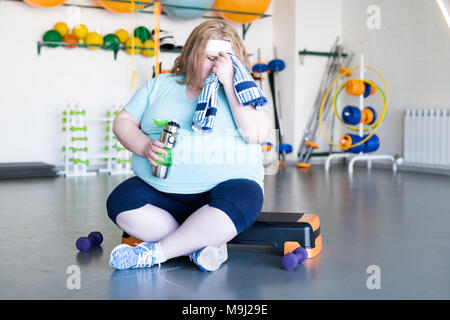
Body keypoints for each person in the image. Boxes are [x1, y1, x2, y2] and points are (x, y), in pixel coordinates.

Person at [106, 19, 272, 272]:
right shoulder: (159, 85)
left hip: (227, 191)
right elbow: (123, 122)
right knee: (121, 203)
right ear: (192, 54)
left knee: (239, 204)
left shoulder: (244, 91)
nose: (216, 65)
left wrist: (228, 83)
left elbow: (257, 134)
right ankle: (201, 243)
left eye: (225, 59)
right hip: (161, 191)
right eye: (209, 57)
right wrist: (144, 146)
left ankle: (156, 253)